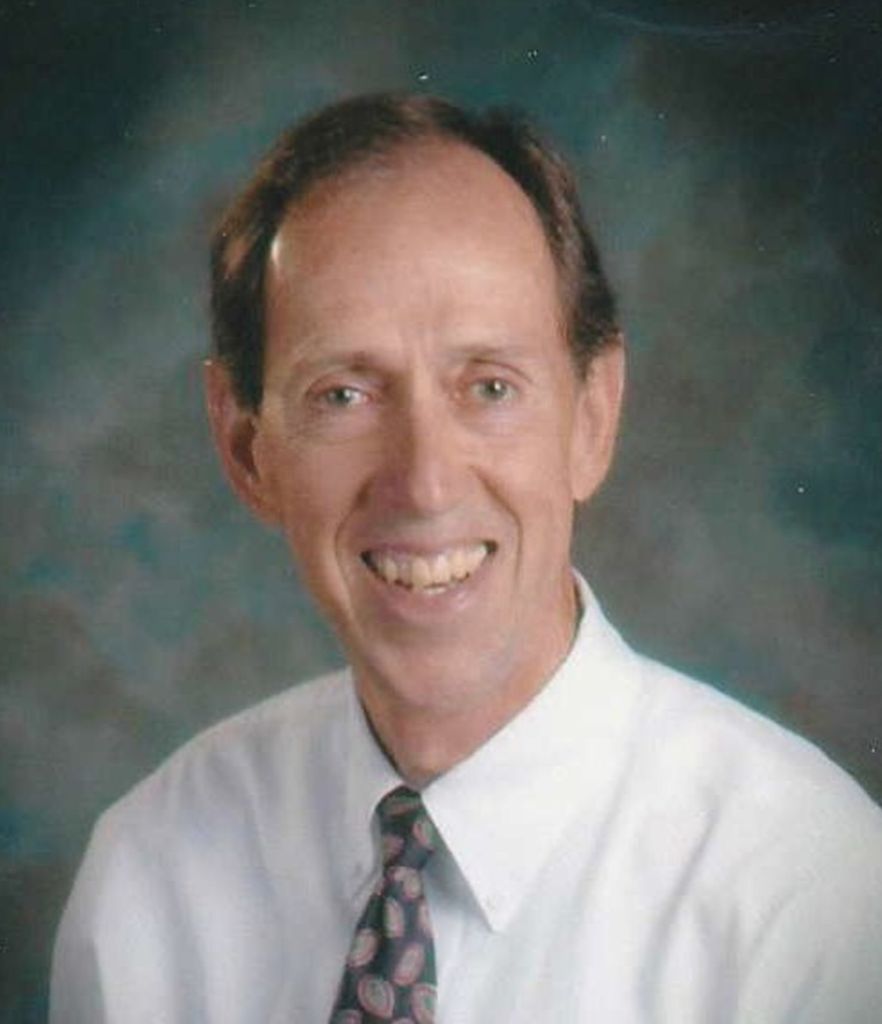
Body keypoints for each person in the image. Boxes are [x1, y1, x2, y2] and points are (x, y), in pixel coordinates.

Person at [51, 93, 882, 1023]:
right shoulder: (150, 882)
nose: (426, 483)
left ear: (593, 416)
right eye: (343, 395)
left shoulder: (808, 900)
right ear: (246, 447)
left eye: (489, 386)